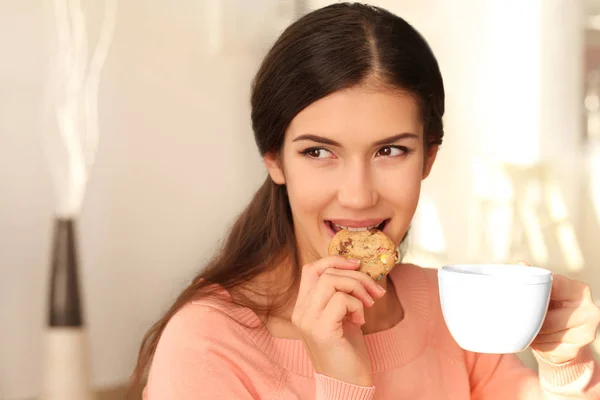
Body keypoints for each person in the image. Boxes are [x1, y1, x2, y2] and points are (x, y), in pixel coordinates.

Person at [129, 3, 600, 399]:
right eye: (319, 152)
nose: (358, 195)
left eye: (390, 150)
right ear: (274, 159)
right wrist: (340, 382)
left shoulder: (450, 311)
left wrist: (566, 366)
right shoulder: (207, 344)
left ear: (428, 158)